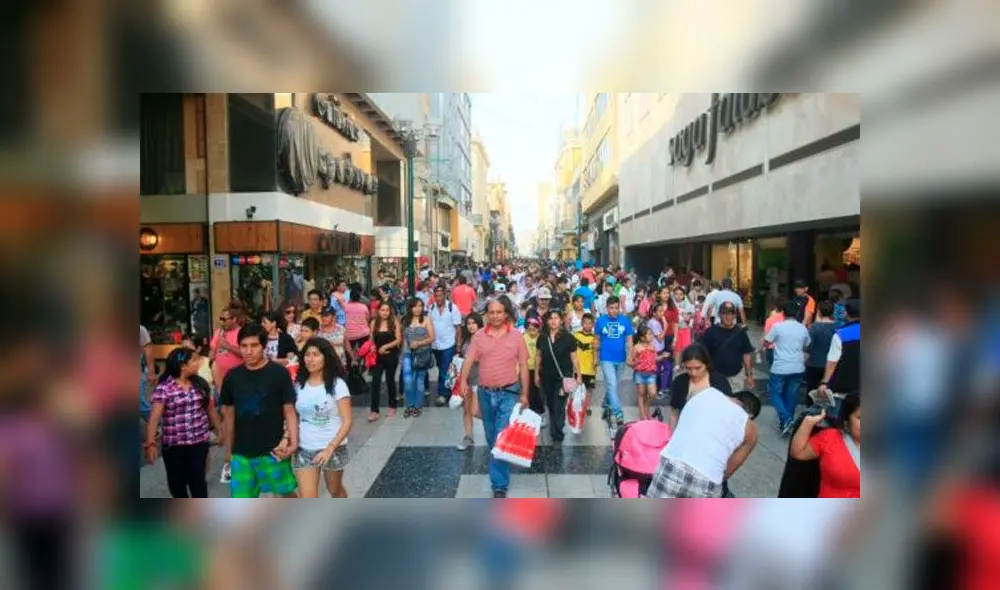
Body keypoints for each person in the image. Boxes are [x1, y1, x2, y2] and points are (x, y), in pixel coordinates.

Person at [457, 296, 530, 498]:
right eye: (492, 312)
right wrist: (462, 381)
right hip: (485, 393)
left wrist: (525, 393)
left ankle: (499, 484)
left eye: (499, 312)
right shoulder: (479, 336)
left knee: (500, 437)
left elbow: (524, 366)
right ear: (487, 315)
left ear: (505, 314)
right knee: (491, 437)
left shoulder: (516, 336)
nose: (495, 316)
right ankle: (500, 461)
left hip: (509, 392)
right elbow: (469, 359)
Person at [220, 323, 300, 499]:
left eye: (254, 345)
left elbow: (289, 410)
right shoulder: (232, 377)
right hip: (241, 453)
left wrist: (293, 442)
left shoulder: (279, 373)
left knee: (286, 493)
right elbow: (229, 414)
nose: (248, 351)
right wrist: (228, 450)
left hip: (273, 450)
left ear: (263, 346)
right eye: (244, 346)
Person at [647, 380, 757, 497]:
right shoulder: (750, 429)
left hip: (672, 467)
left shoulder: (704, 392)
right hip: (707, 482)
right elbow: (732, 466)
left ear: (733, 397)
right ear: (750, 415)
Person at [144, 347, 221, 498]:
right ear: (183, 366)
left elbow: (211, 409)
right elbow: (154, 418)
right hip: (174, 446)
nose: (199, 363)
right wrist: (150, 443)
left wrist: (220, 431)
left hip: (198, 443)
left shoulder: (201, 385)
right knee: (176, 484)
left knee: (198, 482)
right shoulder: (164, 388)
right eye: (194, 360)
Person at [293, 338, 353, 498]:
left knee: (335, 490)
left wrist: (330, 448)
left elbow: (347, 421)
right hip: (305, 448)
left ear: (326, 358)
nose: (310, 359)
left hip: (332, 447)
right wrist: (288, 437)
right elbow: (295, 415)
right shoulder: (299, 385)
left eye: (315, 355)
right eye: (307, 355)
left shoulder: (337, 384)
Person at [789, 394, 860, 498]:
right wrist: (808, 422)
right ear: (847, 420)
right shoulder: (829, 438)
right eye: (860, 417)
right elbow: (798, 453)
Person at [765, 300, 813, 436]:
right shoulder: (802, 328)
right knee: (791, 395)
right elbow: (807, 344)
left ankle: (786, 419)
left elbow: (767, 342)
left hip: (780, 367)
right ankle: (787, 423)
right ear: (798, 313)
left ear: (783, 313)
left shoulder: (778, 327)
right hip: (798, 366)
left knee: (774, 393)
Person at [535, 310, 581, 443]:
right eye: (551, 318)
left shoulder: (569, 338)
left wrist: (578, 375)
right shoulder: (543, 337)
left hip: (563, 378)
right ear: (547, 321)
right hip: (546, 376)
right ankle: (555, 427)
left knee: (558, 404)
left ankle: (557, 431)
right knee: (550, 403)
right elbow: (538, 356)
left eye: (556, 318)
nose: (553, 321)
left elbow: (574, 358)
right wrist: (536, 375)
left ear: (561, 320)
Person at [667, 344, 735, 431]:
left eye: (698, 368)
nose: (693, 373)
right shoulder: (680, 382)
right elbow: (674, 413)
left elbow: (729, 411)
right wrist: (670, 437)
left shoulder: (719, 381)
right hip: (687, 431)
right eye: (688, 368)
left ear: (706, 364)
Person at [595, 296, 634, 429]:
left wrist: (630, 355)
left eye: (616, 308)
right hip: (606, 357)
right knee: (611, 384)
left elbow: (629, 339)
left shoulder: (625, 321)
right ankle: (618, 413)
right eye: (611, 308)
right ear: (606, 308)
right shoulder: (600, 321)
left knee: (614, 386)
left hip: (621, 358)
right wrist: (595, 357)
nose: (614, 310)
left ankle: (606, 403)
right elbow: (597, 340)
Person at [700, 301, 756, 393]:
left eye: (731, 313)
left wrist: (749, 375)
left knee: (735, 404)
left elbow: (746, 354)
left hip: (736, 377)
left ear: (735, 315)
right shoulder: (710, 332)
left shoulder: (741, 333)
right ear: (719, 314)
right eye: (724, 313)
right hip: (715, 377)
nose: (728, 316)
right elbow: (702, 354)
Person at [817, 298, 860, 399]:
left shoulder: (841, 334)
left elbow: (833, 361)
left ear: (846, 313)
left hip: (845, 386)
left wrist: (825, 383)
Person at [428, 285, 463, 407]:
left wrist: (458, 345)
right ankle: (447, 388)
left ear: (445, 295)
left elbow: (458, 327)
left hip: (449, 344)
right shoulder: (431, 308)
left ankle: (443, 394)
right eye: (436, 295)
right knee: (441, 368)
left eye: (441, 295)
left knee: (444, 369)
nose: (438, 298)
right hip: (435, 345)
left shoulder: (452, 308)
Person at [401, 298, 436, 418]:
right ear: (410, 308)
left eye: (420, 306)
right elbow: (403, 338)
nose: (418, 309)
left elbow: (432, 338)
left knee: (420, 382)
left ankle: (417, 406)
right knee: (408, 382)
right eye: (415, 306)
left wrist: (418, 343)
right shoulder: (405, 320)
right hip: (407, 354)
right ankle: (409, 405)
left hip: (422, 354)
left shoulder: (426, 320)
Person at [368, 301, 402, 422]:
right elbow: (371, 339)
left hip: (391, 355)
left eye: (387, 310)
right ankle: (374, 410)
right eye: (382, 310)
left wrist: (385, 347)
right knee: (375, 382)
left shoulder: (394, 323)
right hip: (377, 357)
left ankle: (392, 405)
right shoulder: (373, 323)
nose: (385, 313)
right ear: (378, 311)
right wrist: (372, 347)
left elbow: (398, 340)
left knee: (390, 381)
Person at [456, 312, 484, 451]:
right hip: (466, 378)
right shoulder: (466, 341)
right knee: (467, 409)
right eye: (469, 323)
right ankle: (468, 436)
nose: (471, 326)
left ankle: (495, 424)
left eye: (474, 323)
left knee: (475, 410)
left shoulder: (484, 339)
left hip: (480, 378)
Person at [805, 300, 838, 393]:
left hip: (814, 363)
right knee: (829, 392)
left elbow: (808, 345)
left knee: (812, 391)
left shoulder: (814, 327)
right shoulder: (838, 327)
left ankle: (812, 407)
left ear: (819, 311)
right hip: (832, 364)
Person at [630, 326, 661, 421]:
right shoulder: (637, 347)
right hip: (640, 374)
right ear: (642, 337)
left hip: (651, 374)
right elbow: (631, 361)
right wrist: (635, 364)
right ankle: (643, 415)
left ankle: (646, 405)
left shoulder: (652, 347)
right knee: (641, 394)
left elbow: (655, 358)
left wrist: (662, 356)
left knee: (653, 393)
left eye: (652, 334)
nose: (652, 336)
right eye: (649, 334)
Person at [648, 303, 675, 396]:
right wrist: (666, 326)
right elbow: (660, 338)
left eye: (662, 311)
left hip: (660, 349)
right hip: (656, 351)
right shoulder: (653, 323)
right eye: (659, 311)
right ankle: (658, 390)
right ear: (654, 313)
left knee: (665, 368)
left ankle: (662, 388)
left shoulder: (657, 321)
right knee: (660, 370)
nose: (662, 313)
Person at [574, 313, 598, 416]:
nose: (587, 325)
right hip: (578, 368)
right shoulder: (576, 335)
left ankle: (587, 405)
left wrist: (596, 360)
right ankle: (577, 404)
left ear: (593, 325)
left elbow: (596, 351)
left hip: (590, 368)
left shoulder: (594, 338)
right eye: (585, 323)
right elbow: (572, 352)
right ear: (581, 323)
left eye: (590, 323)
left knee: (589, 389)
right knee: (578, 388)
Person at [523, 317, 545, 423]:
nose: (532, 332)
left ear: (539, 329)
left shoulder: (541, 338)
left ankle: (541, 411)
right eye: (530, 330)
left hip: (538, 369)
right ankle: (531, 411)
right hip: (527, 369)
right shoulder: (523, 338)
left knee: (538, 392)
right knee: (529, 391)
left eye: (534, 330)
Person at [140, 325, 156, 422]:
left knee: (140, 404)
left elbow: (148, 349)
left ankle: (154, 425)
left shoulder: (140, 329)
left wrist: (151, 371)